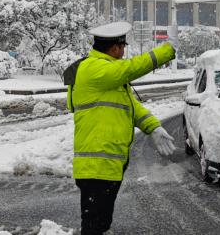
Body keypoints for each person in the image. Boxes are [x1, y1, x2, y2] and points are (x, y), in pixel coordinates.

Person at [63, 21, 177, 234]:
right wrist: (167, 51)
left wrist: (154, 127)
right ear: (115, 47)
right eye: (123, 47)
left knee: (101, 224)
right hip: (96, 166)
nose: (124, 52)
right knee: (94, 226)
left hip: (107, 165)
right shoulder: (94, 68)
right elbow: (131, 68)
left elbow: (132, 107)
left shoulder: (109, 77)